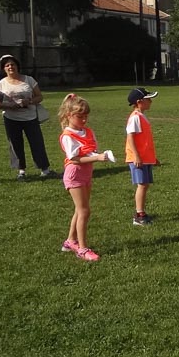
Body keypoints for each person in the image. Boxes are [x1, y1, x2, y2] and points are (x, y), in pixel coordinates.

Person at [59, 93, 114, 262]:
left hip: (86, 173)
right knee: (84, 211)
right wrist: (97, 158)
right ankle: (82, 249)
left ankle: (70, 241)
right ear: (69, 115)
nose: (84, 120)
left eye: (86, 116)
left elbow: (90, 151)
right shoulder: (68, 136)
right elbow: (74, 158)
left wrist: (101, 155)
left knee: (80, 209)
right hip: (74, 174)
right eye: (80, 116)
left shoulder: (88, 132)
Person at [0, 54, 56, 181]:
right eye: (7, 65)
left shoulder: (29, 79)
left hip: (30, 117)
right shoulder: (2, 84)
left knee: (37, 143)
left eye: (12, 64)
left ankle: (45, 170)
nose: (10, 67)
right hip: (11, 119)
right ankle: (21, 171)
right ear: (3, 69)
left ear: (17, 66)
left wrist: (30, 101)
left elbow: (40, 96)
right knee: (15, 144)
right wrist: (9, 105)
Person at [125, 87, 159, 226]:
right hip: (138, 159)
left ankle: (141, 212)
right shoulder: (135, 118)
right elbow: (131, 138)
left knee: (145, 185)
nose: (150, 102)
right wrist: (136, 156)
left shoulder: (141, 116)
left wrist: (152, 158)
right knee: (142, 185)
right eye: (148, 99)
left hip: (145, 158)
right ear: (139, 102)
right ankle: (139, 215)